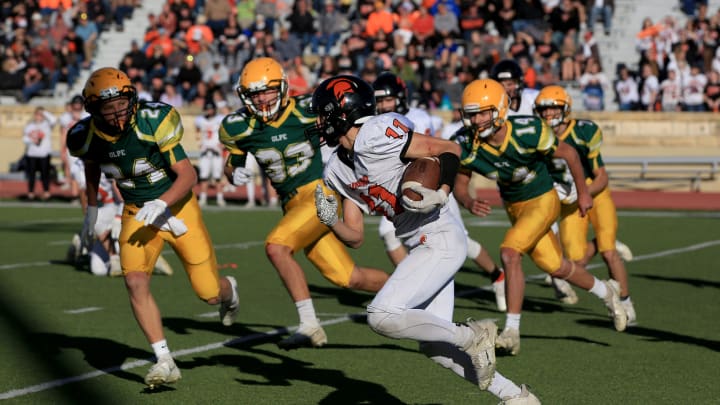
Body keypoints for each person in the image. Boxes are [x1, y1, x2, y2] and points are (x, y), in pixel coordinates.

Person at [311, 74, 539, 404]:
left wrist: (443, 191)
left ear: (340, 112)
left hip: (439, 234)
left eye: (322, 114)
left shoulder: (376, 133)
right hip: (421, 245)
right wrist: (331, 221)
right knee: (436, 349)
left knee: (381, 315)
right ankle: (516, 397)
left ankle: (473, 334)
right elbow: (356, 236)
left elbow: (449, 149)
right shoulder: (335, 168)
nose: (318, 122)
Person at [67, 67, 239, 389]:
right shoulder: (85, 136)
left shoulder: (151, 121)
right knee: (134, 281)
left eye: (121, 103)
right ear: (94, 109)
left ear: (131, 98)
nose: (118, 112)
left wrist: (162, 203)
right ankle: (164, 359)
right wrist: (92, 207)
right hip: (136, 213)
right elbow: (91, 165)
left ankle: (229, 289)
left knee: (209, 293)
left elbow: (188, 175)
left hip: (177, 208)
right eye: (109, 107)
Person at [219, 57, 389, 349]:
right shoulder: (238, 127)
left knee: (277, 247)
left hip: (320, 193)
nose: (262, 99)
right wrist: (233, 173)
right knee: (350, 278)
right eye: (255, 93)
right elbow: (232, 162)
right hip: (292, 205)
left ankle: (310, 325)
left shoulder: (307, 110)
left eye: (268, 91)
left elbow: (350, 121)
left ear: (283, 87)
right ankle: (408, 289)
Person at [452, 78, 627, 356]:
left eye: (482, 113)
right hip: (514, 206)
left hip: (543, 198)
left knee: (510, 253)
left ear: (499, 110)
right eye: (471, 114)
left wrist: (583, 193)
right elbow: (460, 183)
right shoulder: (465, 142)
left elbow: (569, 153)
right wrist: (468, 201)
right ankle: (607, 293)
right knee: (556, 266)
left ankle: (512, 331)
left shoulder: (527, 130)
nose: (476, 120)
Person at [372, 71, 507, 311]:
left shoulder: (417, 117)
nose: (383, 105)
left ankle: (497, 275)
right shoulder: (376, 123)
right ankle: (414, 286)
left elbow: (430, 150)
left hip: (428, 183)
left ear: (400, 97)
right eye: (379, 101)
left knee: (460, 240)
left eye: (387, 100)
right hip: (400, 188)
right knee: (393, 234)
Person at [534, 85, 637, 326]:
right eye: (544, 110)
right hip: (568, 198)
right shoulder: (538, 135)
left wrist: (583, 193)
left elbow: (602, 177)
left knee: (609, 252)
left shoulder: (583, 132)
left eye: (553, 109)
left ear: (565, 109)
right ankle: (600, 243)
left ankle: (626, 301)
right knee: (576, 261)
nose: (549, 114)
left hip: (594, 192)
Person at [59, 95, 91, 205]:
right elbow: (63, 134)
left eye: (79, 104)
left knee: (86, 172)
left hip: (84, 148)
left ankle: (87, 195)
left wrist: (78, 120)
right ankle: (74, 195)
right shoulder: (66, 117)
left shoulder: (86, 116)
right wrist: (62, 149)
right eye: (75, 104)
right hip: (71, 148)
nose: (77, 106)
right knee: (73, 172)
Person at [195, 102, 226, 207]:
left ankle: (220, 198)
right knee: (204, 176)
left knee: (217, 176)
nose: (209, 111)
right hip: (205, 151)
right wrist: (199, 143)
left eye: (211, 109)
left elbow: (225, 131)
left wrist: (222, 143)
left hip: (216, 151)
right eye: (207, 109)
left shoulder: (220, 119)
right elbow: (197, 131)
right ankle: (203, 198)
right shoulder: (200, 120)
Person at [23, 107, 57, 201]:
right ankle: (31, 193)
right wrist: (32, 140)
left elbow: (54, 119)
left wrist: (44, 112)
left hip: (44, 154)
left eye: (41, 115)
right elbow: (25, 139)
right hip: (32, 154)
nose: (39, 116)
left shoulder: (47, 125)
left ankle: (46, 193)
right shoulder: (30, 126)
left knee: (45, 174)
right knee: (31, 175)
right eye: (37, 114)